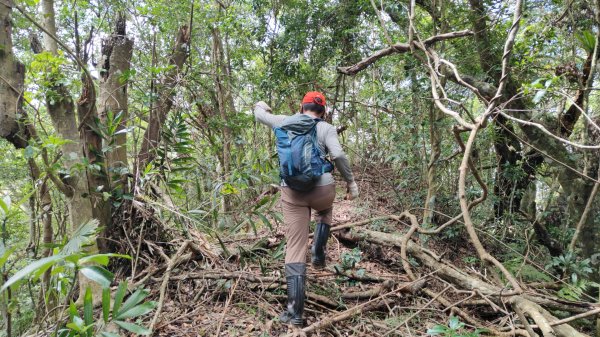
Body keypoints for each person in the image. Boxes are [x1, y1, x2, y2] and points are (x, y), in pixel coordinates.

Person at [253, 91, 359, 326]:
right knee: (325, 211)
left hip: (292, 193)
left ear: (302, 107)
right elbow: (339, 155)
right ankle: (318, 254)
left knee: (295, 245)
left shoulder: (284, 121)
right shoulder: (327, 128)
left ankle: (295, 313)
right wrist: (351, 183)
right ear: (323, 111)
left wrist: (262, 105)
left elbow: (259, 114)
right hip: (323, 191)